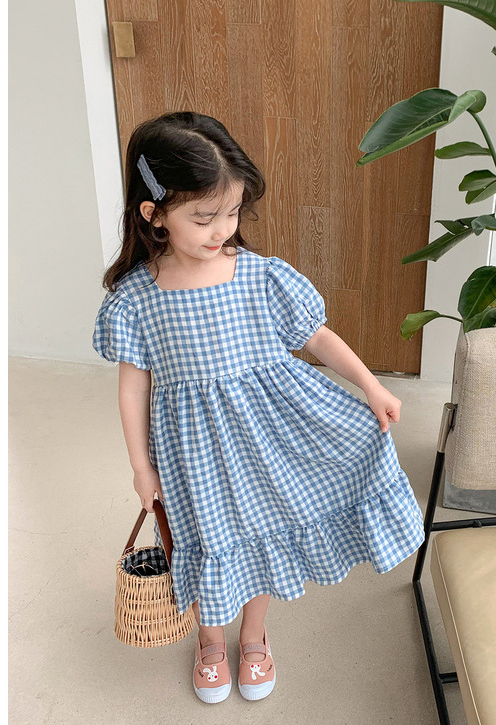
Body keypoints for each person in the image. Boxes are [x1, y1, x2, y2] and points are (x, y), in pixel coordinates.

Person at [92, 111, 425, 704]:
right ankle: (209, 643)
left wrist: (371, 386)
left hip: (270, 434)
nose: (222, 229)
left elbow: (317, 337)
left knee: (262, 531)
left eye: (232, 213)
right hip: (194, 451)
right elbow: (133, 389)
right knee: (207, 538)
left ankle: (254, 637)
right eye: (204, 218)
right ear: (154, 213)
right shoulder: (137, 298)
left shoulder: (261, 276)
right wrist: (141, 467)